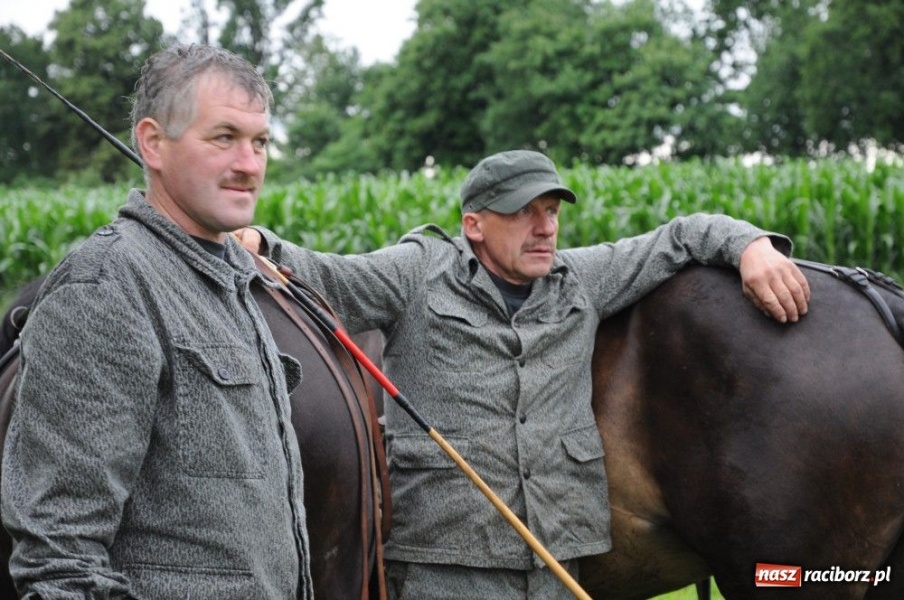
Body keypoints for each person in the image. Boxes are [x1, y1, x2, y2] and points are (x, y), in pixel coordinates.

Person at [236, 149, 810, 599]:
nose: (545, 228)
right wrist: (261, 240)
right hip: (443, 562)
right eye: (523, 213)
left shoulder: (581, 281)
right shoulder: (416, 275)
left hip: (554, 559)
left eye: (552, 211)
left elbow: (679, 237)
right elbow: (321, 276)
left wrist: (750, 245)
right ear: (475, 225)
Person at [1, 44, 313, 599]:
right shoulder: (108, 288)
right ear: (152, 143)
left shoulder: (235, 279)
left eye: (260, 142)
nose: (249, 164)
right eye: (223, 138)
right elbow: (62, 561)